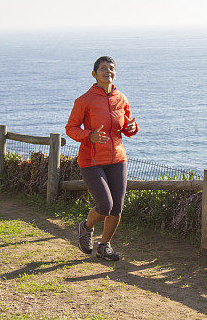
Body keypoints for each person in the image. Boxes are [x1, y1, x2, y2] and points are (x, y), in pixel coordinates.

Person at [66, 56, 138, 261]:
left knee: (117, 207)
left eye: (111, 68)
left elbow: (127, 125)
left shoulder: (121, 98)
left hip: (118, 159)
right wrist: (89, 135)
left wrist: (133, 128)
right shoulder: (84, 100)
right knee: (105, 204)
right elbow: (70, 128)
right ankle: (86, 227)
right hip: (92, 161)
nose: (108, 71)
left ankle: (104, 246)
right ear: (94, 73)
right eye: (103, 68)